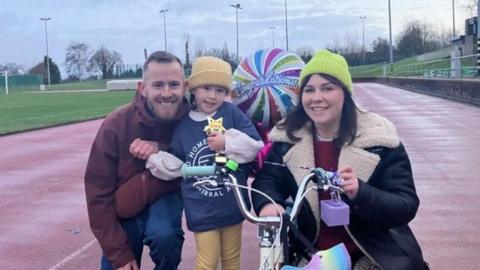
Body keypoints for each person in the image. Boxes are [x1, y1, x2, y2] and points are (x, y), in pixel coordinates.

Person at [251, 50, 428, 270]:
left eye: (328, 88)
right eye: (309, 90)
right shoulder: (287, 139)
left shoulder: (380, 141)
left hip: (373, 252)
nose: (317, 98)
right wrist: (269, 203)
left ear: (345, 93)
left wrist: (361, 193)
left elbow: (405, 204)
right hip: (312, 251)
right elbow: (268, 180)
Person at [144, 56, 264, 270]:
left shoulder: (232, 114)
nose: (212, 96)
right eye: (206, 88)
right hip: (202, 207)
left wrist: (226, 142)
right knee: (206, 262)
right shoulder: (183, 123)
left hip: (233, 204)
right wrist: (154, 159)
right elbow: (175, 162)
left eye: (220, 90)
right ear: (193, 88)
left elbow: (254, 146)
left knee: (232, 259)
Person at [84, 51, 189, 270]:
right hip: (123, 207)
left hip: (165, 200)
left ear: (185, 87)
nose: (167, 93)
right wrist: (119, 255)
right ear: (143, 88)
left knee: (165, 237)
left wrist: (160, 149)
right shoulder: (116, 124)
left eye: (174, 85)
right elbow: (97, 194)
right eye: (158, 85)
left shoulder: (194, 124)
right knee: (118, 261)